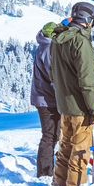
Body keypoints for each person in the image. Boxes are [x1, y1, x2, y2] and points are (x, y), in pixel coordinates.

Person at [50, 1, 94, 186]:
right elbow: (87, 81)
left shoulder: (58, 39)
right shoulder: (81, 42)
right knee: (80, 151)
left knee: (65, 146)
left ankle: (59, 184)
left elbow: (52, 72)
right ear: (88, 20)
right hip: (80, 107)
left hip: (63, 104)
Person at [30, 21, 60, 177]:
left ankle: (47, 169)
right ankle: (45, 172)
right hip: (47, 99)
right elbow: (53, 76)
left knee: (53, 135)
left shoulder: (43, 45)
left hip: (44, 97)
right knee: (50, 135)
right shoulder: (49, 49)